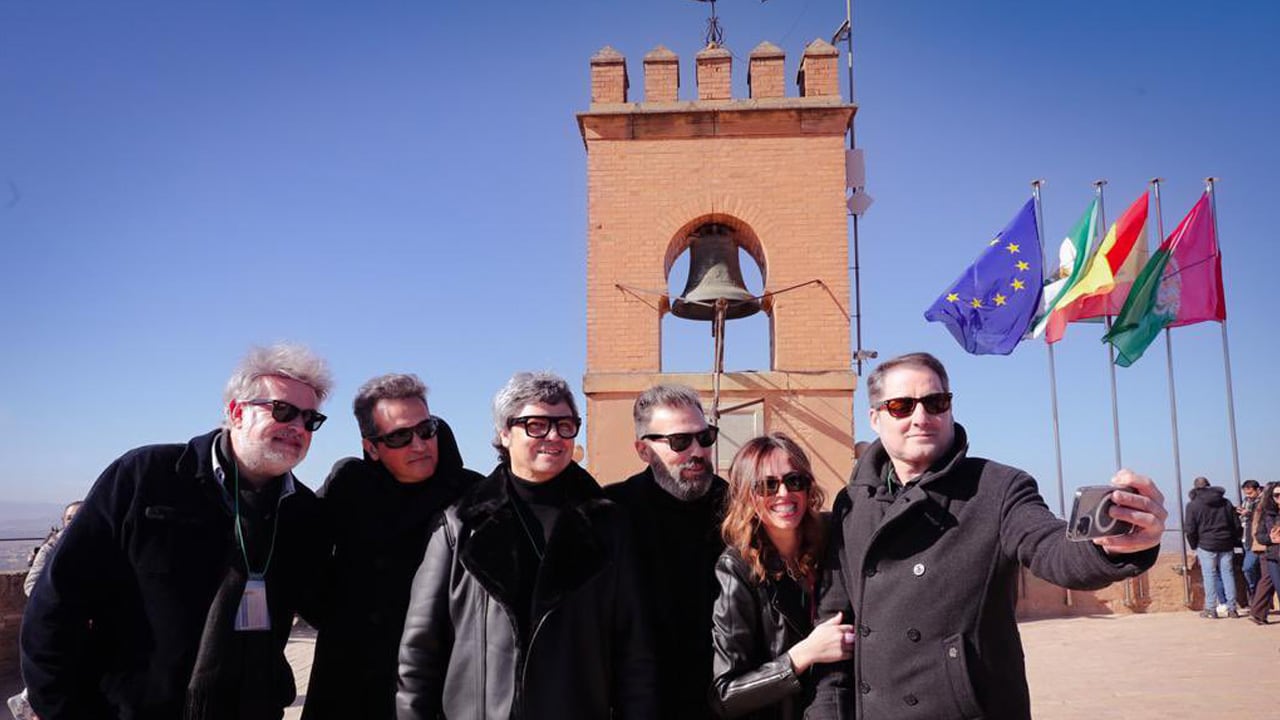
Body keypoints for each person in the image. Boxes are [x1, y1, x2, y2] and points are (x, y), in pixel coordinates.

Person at [807, 352, 1167, 720]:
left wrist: (1110, 547)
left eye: (936, 403)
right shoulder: (852, 503)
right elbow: (834, 628)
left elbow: (1049, 547)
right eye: (901, 406)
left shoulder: (997, 488)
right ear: (875, 418)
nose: (921, 418)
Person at [21, 344, 333, 720]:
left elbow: (333, 606)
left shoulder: (303, 513)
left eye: (310, 419)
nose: (297, 427)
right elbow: (56, 604)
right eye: (282, 410)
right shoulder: (145, 477)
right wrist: (63, 709)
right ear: (236, 412)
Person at [397, 371, 656, 719]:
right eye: (536, 425)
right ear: (505, 433)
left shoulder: (609, 526)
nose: (553, 436)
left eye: (565, 425)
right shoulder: (460, 524)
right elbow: (419, 654)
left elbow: (634, 652)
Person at [303, 374, 482, 720]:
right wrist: (343, 618)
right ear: (371, 446)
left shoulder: (473, 495)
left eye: (426, 430)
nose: (419, 445)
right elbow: (301, 557)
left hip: (440, 684)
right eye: (400, 436)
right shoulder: (349, 486)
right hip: (349, 685)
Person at [605, 383, 728, 718]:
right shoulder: (610, 514)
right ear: (643, 450)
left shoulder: (737, 510)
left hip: (728, 702)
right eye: (679, 442)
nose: (698, 451)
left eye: (705, 438)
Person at [711, 433, 853, 719]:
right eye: (767, 485)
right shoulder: (737, 568)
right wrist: (803, 655)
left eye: (794, 481)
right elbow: (725, 693)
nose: (784, 494)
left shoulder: (835, 539)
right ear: (747, 495)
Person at [8, 502, 83, 720]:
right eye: (70, 518)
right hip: (57, 622)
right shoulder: (51, 549)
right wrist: (60, 603)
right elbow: (30, 585)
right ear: (63, 522)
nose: (74, 521)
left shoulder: (90, 546)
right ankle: (29, 704)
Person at [1185, 477, 1241, 618]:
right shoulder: (1225, 502)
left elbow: (1190, 529)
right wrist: (1234, 541)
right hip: (1226, 543)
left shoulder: (1193, 505)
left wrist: (1194, 545)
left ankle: (1211, 608)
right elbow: (1236, 524)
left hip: (1206, 544)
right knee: (1228, 574)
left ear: (1196, 489)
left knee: (1209, 575)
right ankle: (1232, 608)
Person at [1253, 482, 1280, 624]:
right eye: (1276, 495)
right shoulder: (1267, 513)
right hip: (1272, 556)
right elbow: (1259, 534)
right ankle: (1258, 612)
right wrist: (1271, 538)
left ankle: (1258, 612)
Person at [1239, 479, 1263, 599]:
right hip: (1246, 539)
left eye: (1250, 493)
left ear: (1257, 490)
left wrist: (1248, 514)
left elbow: (1260, 517)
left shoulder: (1263, 502)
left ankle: (1256, 594)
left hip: (1257, 541)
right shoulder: (1246, 502)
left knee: (1248, 567)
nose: (1248, 496)